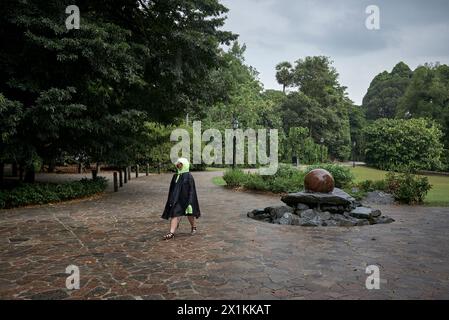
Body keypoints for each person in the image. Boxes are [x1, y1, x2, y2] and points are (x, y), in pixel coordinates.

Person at [161, 158, 200, 240]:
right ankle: (171, 233)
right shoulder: (175, 176)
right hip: (177, 199)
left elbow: (192, 189)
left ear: (184, 165)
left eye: (180, 164)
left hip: (186, 199)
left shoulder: (189, 176)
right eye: (178, 163)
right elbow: (172, 189)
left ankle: (193, 227)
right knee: (174, 213)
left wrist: (190, 201)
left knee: (190, 215)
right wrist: (171, 199)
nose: (178, 165)